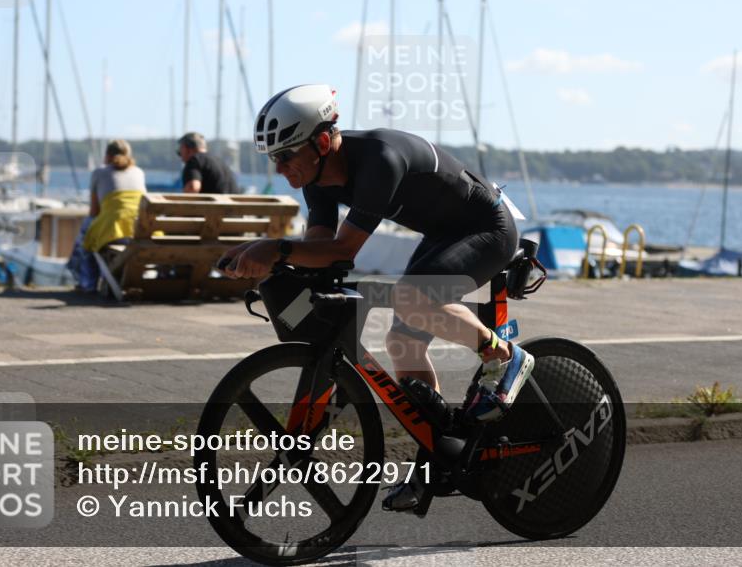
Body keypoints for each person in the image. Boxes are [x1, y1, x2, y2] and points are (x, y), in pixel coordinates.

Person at [218, 84, 534, 512]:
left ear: (323, 141)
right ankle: (437, 458)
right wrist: (268, 262)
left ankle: (503, 356)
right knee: (402, 342)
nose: (280, 168)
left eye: (286, 155)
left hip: (488, 227)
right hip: (445, 234)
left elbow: (344, 250)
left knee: (411, 299)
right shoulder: (316, 177)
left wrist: (275, 247)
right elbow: (319, 244)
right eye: (274, 158)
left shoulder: (378, 161)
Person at [67, 140, 146, 291]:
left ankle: (88, 283)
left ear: (107, 156)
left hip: (114, 230)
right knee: (91, 234)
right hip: (139, 230)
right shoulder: (139, 172)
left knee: (86, 239)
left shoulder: (99, 172)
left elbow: (94, 212)